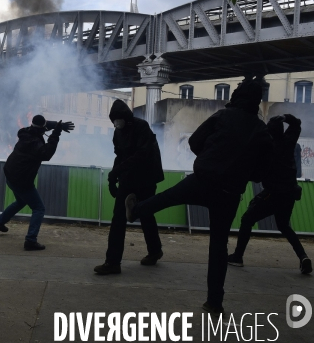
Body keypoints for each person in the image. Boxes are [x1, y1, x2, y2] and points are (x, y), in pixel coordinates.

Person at [125, 79, 273, 316]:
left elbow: (194, 142)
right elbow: (259, 174)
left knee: (167, 197)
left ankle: (136, 210)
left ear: (237, 96)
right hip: (230, 194)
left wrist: (212, 156)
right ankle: (214, 301)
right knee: (218, 246)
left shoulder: (223, 116)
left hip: (204, 180)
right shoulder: (261, 130)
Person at [228, 114, 312, 274]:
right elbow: (296, 125)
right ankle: (303, 257)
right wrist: (285, 117)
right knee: (284, 225)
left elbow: (254, 171)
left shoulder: (266, 149)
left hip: (273, 194)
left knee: (247, 219)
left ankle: (238, 257)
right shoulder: (288, 142)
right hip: (290, 193)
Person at [94, 99, 165, 276]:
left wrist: (117, 171)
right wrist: (113, 177)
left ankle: (155, 251)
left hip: (146, 177)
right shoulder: (118, 132)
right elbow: (120, 156)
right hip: (128, 176)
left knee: (146, 213)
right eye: (114, 120)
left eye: (118, 119)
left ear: (126, 117)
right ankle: (112, 262)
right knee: (119, 217)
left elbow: (141, 155)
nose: (116, 123)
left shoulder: (142, 127)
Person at [0, 115, 73, 250]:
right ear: (41, 129)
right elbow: (47, 154)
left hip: (10, 175)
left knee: (21, 201)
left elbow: (42, 125)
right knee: (39, 208)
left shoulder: (25, 132)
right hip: (21, 181)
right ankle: (30, 240)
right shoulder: (35, 144)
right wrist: (56, 133)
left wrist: (58, 125)